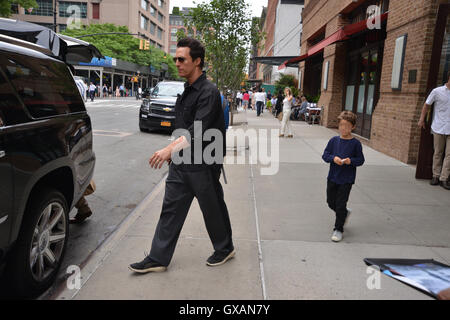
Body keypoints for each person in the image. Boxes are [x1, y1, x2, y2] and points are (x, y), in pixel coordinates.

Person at [129, 37, 234, 274]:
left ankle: (225, 248)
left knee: (212, 208)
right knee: (170, 209)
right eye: (175, 58)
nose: (176, 63)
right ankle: (158, 257)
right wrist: (173, 152)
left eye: (181, 59)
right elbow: (182, 127)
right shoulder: (186, 90)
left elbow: (197, 129)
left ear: (197, 61)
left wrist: (168, 149)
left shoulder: (208, 92)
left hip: (203, 163)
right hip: (181, 162)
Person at [322, 111, 365, 242]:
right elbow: (325, 155)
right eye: (341, 125)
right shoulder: (334, 141)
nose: (343, 128)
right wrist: (333, 158)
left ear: (353, 127)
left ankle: (338, 229)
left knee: (340, 204)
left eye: (346, 126)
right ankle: (344, 213)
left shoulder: (356, 144)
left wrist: (350, 161)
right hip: (333, 177)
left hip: (346, 179)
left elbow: (361, 160)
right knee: (330, 202)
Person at [418, 74, 450, 190]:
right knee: (438, 152)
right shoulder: (437, 91)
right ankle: (435, 176)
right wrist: (422, 119)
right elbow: (426, 105)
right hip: (439, 126)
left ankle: (444, 178)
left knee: (449, 155)